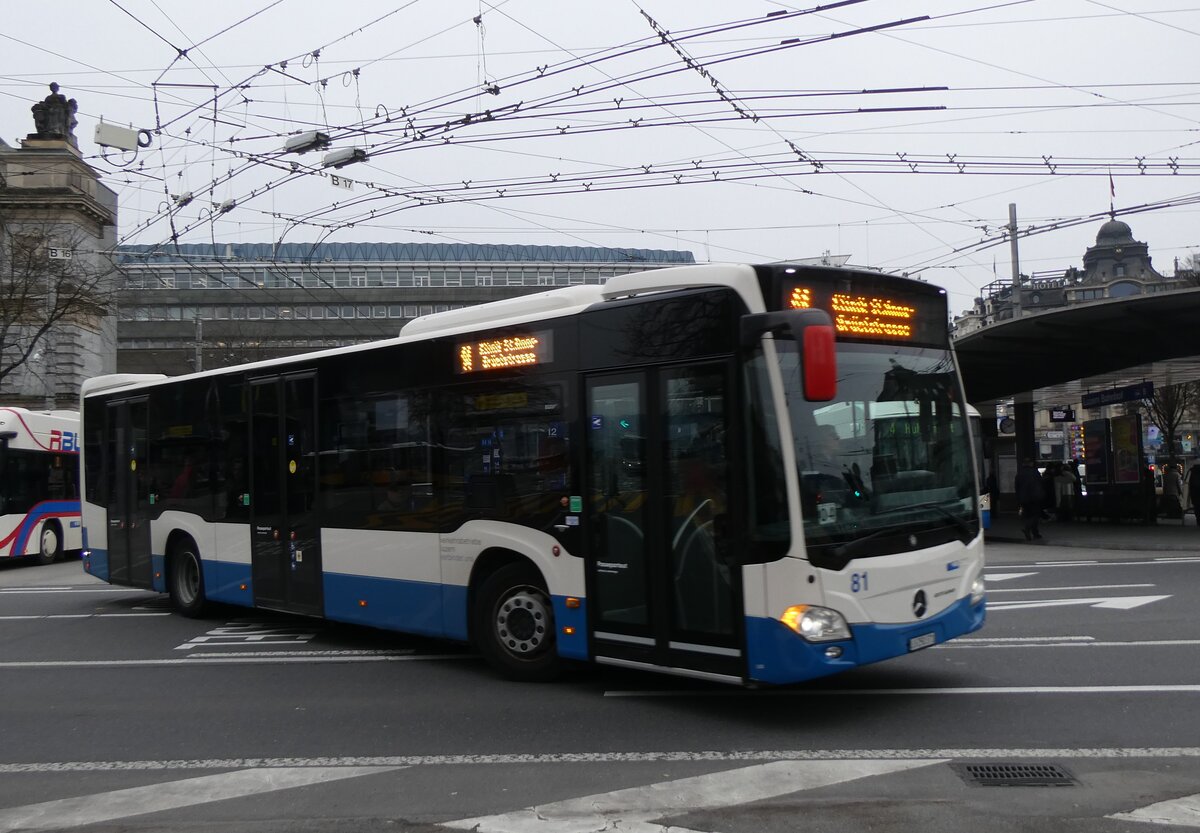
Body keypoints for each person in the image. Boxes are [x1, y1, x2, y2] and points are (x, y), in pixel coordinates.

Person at [1014, 457, 1044, 542]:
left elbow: (1017, 486)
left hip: (1023, 498)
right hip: (1034, 497)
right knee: (1035, 515)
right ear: (1031, 463)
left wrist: (1018, 498)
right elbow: (1040, 483)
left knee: (1028, 515)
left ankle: (1034, 533)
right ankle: (1027, 529)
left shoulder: (1019, 473)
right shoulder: (1035, 472)